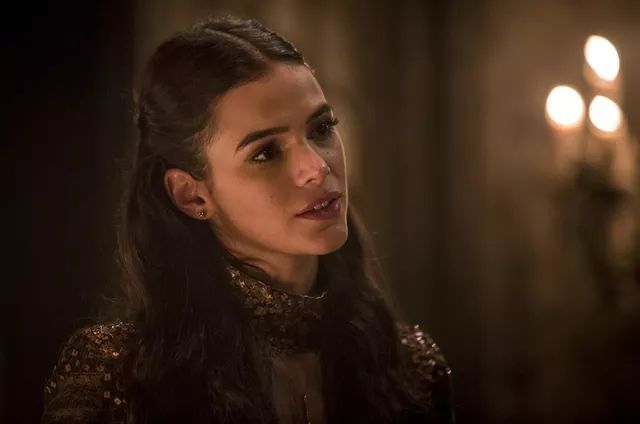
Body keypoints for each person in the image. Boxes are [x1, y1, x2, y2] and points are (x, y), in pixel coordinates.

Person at [41, 14, 454, 424]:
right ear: (191, 194)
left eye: (321, 128)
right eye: (266, 153)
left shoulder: (411, 368)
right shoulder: (116, 377)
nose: (316, 167)